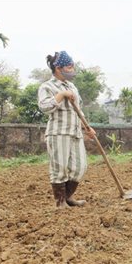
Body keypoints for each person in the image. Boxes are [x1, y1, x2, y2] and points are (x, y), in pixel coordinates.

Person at [38, 51, 95, 208]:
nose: (72, 69)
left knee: (79, 167)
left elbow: (79, 111)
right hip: (59, 133)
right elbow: (44, 107)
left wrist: (87, 128)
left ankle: (68, 197)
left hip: (75, 133)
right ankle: (60, 202)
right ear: (58, 68)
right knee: (60, 168)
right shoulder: (47, 86)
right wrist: (61, 94)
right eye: (69, 67)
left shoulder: (73, 87)